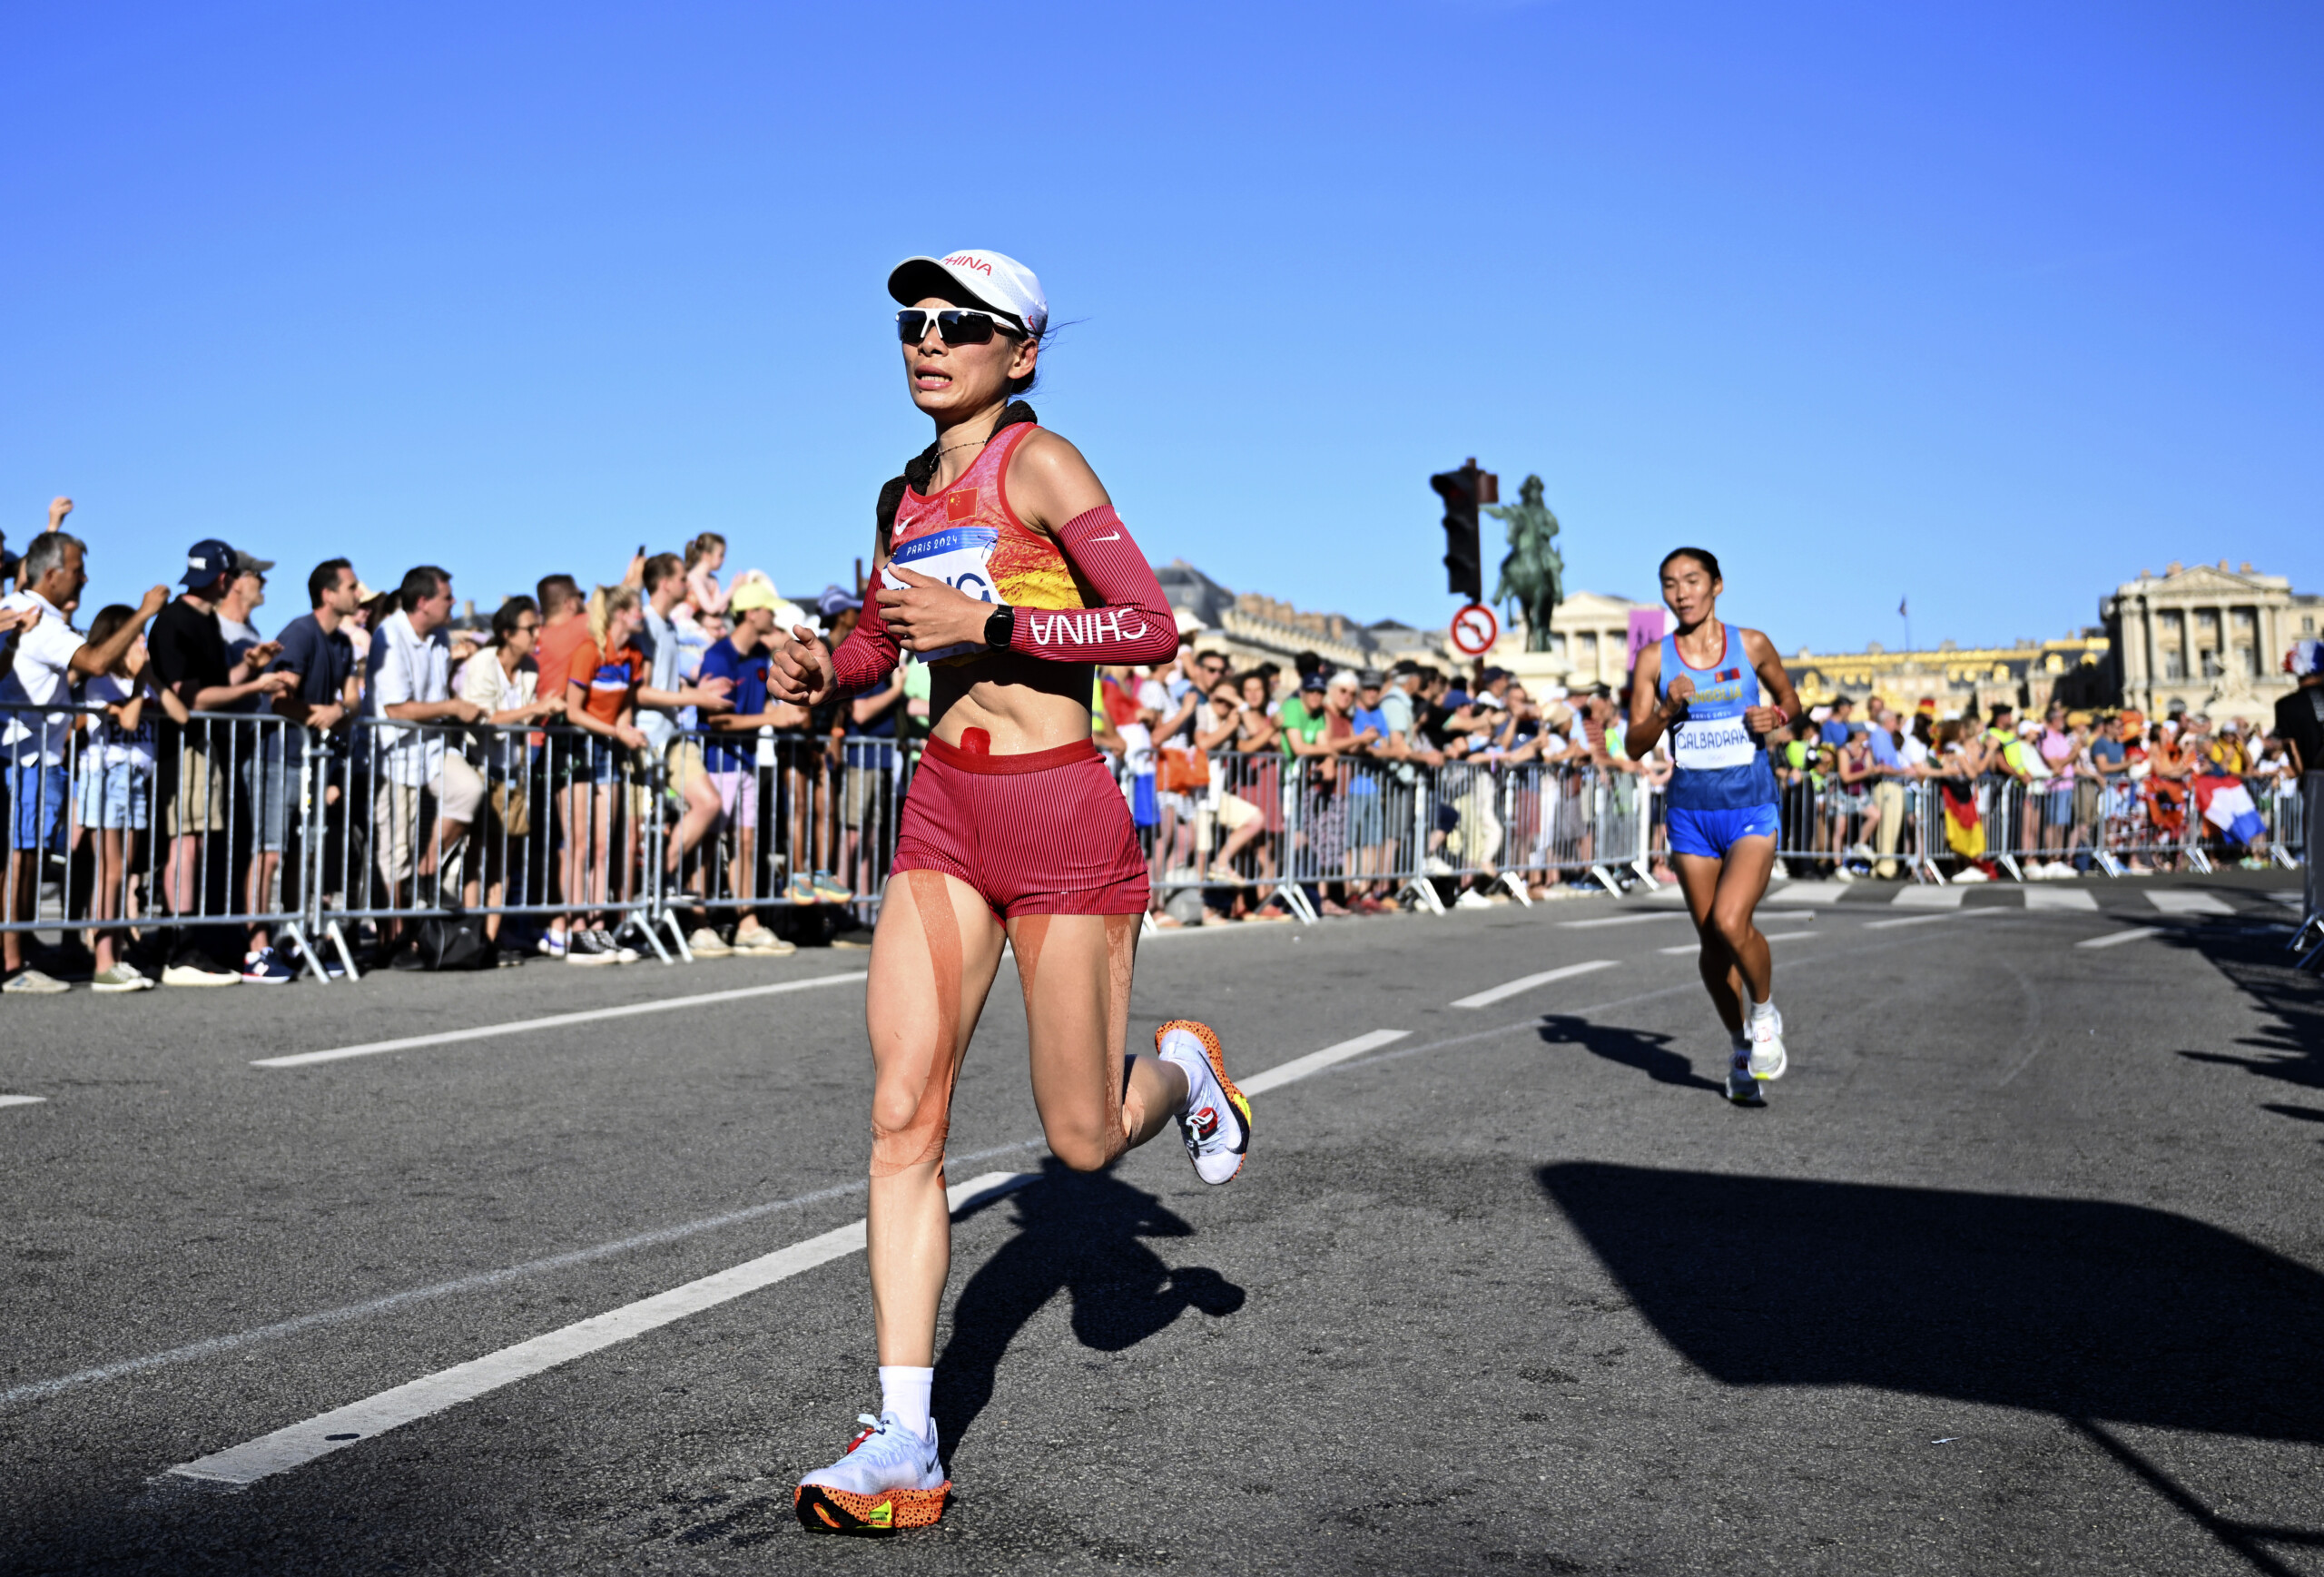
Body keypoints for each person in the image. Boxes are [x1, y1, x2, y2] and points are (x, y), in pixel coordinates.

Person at [770, 249, 1249, 1535]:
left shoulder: (1040, 463)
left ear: (1019, 352)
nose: (926, 341)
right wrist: (831, 673)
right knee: (899, 1114)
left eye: (958, 325)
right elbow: (884, 637)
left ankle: (1184, 1071)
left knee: (1084, 1141)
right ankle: (903, 1440)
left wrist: (998, 633)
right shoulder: (903, 495)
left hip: (1059, 819)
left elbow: (1147, 622)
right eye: (912, 323)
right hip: (944, 813)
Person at [1625, 547, 1804, 1106]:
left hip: (1750, 806)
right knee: (1711, 942)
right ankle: (1739, 1050)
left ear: (1717, 586)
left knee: (1732, 920)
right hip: (1690, 815)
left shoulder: (1751, 644)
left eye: (1692, 581)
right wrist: (1664, 713)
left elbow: (1791, 699)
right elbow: (1634, 744)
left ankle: (1766, 1011)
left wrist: (1774, 718)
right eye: (1670, 584)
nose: (1681, 592)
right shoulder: (1655, 659)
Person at [2, 534, 171, 993]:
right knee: (23, 858)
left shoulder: (22, 610)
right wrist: (144, 612)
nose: (85, 577)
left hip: (33, 753)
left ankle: (18, 954)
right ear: (52, 575)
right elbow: (96, 662)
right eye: (77, 570)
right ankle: (12, 964)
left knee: (27, 858)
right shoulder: (37, 620)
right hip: (29, 755)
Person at [147, 539, 299, 985]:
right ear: (222, 578)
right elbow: (191, 697)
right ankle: (181, 947)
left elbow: (214, 686)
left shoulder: (205, 620)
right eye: (232, 576)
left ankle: (196, 942)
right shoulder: (177, 620)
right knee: (186, 842)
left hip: (204, 745)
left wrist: (250, 668)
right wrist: (255, 688)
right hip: (185, 744)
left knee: (198, 841)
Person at [364, 565, 488, 958]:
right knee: (393, 852)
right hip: (394, 753)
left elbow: (430, 692)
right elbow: (396, 708)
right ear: (423, 602)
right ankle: (393, 939)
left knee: (469, 789)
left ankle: (427, 870)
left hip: (431, 747)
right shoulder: (390, 634)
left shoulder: (437, 636)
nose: (453, 603)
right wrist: (452, 705)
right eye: (447, 597)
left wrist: (455, 667)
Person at [697, 580, 803, 954]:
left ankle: (747, 922)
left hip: (745, 761)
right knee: (711, 842)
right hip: (717, 762)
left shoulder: (761, 654)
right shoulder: (718, 656)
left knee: (744, 841)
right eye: (767, 609)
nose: (772, 615)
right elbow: (716, 722)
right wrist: (770, 717)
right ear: (751, 613)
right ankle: (699, 922)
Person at [2274, 640, 2324, 934]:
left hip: (2317, 783)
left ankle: (2317, 922)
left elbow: (2293, 749)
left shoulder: (2287, 705)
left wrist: (2304, 778)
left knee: (2318, 856)